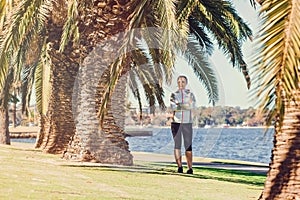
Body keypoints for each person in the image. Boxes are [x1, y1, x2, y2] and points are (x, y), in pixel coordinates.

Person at [170, 75, 196, 174]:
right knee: (177, 145)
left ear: (186, 83)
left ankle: (190, 168)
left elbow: (192, 106)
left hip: (187, 123)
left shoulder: (190, 95)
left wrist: (179, 106)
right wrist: (185, 105)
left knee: (188, 146)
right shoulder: (173, 94)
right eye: (179, 82)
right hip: (176, 123)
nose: (181, 83)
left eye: (183, 82)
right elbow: (173, 107)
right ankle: (180, 167)